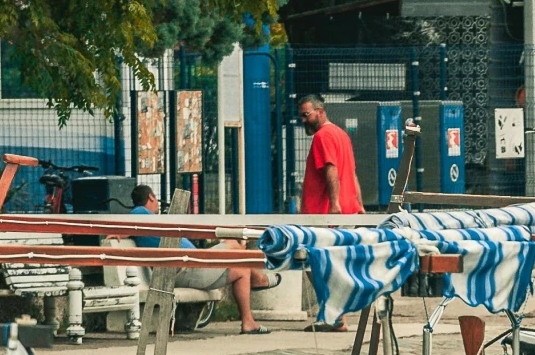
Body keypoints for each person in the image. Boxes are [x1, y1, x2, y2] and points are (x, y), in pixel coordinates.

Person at [129, 185, 275, 334]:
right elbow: (128, 223)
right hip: (185, 268)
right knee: (232, 244)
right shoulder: (140, 212)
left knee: (241, 269)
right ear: (151, 197)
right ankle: (259, 279)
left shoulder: (148, 222)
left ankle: (248, 322)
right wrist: (118, 233)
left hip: (193, 267)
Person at [297, 93, 365, 215]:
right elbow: (352, 174)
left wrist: (334, 204)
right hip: (348, 209)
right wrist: (360, 206)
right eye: (301, 116)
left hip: (325, 213)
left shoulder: (322, 136)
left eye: (306, 115)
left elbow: (331, 168)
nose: (303, 120)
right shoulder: (342, 135)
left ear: (320, 112)